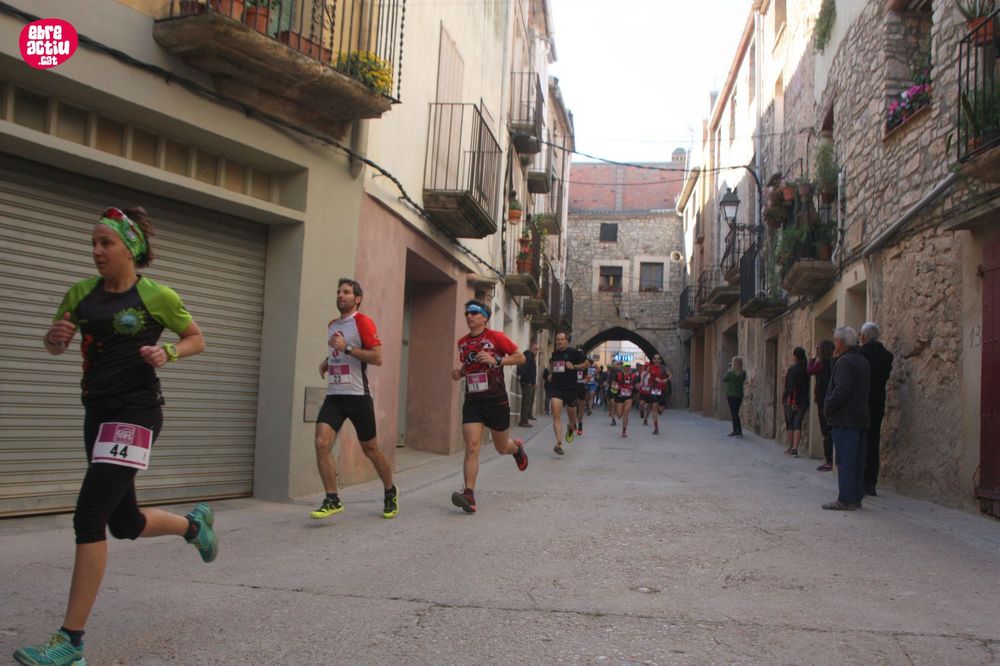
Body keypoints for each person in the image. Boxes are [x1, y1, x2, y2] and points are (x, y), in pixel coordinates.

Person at [15, 207, 217, 666]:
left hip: (136, 413)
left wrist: (168, 352)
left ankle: (71, 642)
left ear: (131, 248)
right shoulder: (80, 294)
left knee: (89, 517)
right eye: (93, 243)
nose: (96, 251)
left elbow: (196, 338)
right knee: (123, 523)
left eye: (105, 242)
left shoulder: (157, 295)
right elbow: (55, 345)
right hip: (97, 413)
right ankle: (194, 526)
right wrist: (54, 337)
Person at [312, 279, 399, 520]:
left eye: (346, 292)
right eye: (338, 291)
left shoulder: (362, 322)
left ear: (357, 299)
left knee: (370, 450)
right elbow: (338, 352)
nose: (341, 295)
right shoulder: (332, 324)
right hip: (335, 396)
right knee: (321, 442)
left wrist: (347, 348)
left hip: (358, 396)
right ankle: (332, 499)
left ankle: (390, 490)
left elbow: (377, 357)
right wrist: (327, 362)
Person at [450, 300, 528, 513]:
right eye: (467, 313)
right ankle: (469, 495)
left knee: (501, 447)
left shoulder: (496, 337)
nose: (469, 316)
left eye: (474, 313)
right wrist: (460, 373)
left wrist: (497, 360)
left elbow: (520, 357)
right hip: (473, 401)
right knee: (472, 446)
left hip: (496, 400)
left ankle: (516, 449)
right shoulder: (462, 343)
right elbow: (469, 365)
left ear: (484, 317)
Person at [823, 327, 871, 511]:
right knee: (857, 460)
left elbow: (842, 389)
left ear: (840, 343)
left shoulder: (844, 362)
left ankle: (845, 499)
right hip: (860, 417)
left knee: (846, 460)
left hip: (845, 418)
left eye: (835, 340)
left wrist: (828, 407)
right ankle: (855, 496)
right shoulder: (862, 361)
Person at [859, 322, 894, 496]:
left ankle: (860, 480)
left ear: (863, 336)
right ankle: (871, 482)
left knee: (859, 442)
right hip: (878, 403)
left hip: (861, 403)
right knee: (873, 442)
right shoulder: (887, 356)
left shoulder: (860, 355)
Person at [548, 332, 588, 455]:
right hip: (557, 388)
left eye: (562, 339)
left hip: (571, 389)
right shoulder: (554, 354)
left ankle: (571, 427)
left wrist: (575, 366)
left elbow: (587, 363)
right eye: (557, 339)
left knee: (572, 419)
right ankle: (559, 443)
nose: (559, 341)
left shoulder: (574, 352)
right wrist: (551, 374)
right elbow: (553, 366)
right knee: (556, 414)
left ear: (566, 341)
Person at [808, 340, 836, 471]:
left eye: (818, 349)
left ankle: (829, 460)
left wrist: (813, 358)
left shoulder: (821, 364)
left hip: (822, 398)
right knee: (831, 429)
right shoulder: (835, 362)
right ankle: (832, 459)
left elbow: (809, 371)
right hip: (831, 397)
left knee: (826, 431)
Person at [782, 347, 810, 457]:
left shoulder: (793, 369)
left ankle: (791, 447)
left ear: (795, 356)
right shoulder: (806, 369)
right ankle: (795, 448)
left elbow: (791, 386)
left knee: (790, 424)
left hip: (791, 399)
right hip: (804, 399)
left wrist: (792, 401)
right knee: (797, 424)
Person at [722, 356, 747, 437]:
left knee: (734, 413)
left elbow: (724, 379)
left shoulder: (731, 373)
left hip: (731, 395)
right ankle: (739, 430)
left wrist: (729, 369)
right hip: (739, 395)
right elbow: (743, 380)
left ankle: (735, 431)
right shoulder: (743, 373)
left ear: (734, 364)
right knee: (736, 413)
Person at [613, 362, 639, 437]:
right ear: (623, 367)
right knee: (619, 416)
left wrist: (637, 386)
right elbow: (613, 384)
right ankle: (616, 411)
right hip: (620, 396)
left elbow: (637, 384)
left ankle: (624, 431)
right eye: (626, 366)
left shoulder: (633, 376)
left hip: (629, 397)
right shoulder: (618, 375)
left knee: (626, 413)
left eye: (628, 366)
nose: (627, 368)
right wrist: (617, 387)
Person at [647, 354, 671, 435]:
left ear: (660, 360)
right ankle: (656, 427)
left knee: (660, 410)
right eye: (655, 359)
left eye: (658, 359)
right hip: (653, 390)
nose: (656, 360)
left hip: (662, 390)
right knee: (654, 408)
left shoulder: (664, 368)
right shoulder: (650, 368)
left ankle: (659, 409)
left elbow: (670, 375)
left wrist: (666, 379)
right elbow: (645, 376)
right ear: (653, 360)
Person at [516, 340, 538, 427]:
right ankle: (523, 422)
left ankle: (527, 418)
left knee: (528, 402)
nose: (536, 351)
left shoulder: (529, 356)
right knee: (526, 402)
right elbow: (527, 370)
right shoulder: (528, 356)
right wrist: (530, 382)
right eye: (535, 349)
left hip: (528, 382)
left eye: (537, 349)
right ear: (531, 347)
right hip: (527, 383)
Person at [574, 346, 589, 435]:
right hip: (573, 386)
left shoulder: (585, 364)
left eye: (581, 353)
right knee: (573, 405)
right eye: (578, 352)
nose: (579, 354)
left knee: (581, 405)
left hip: (582, 386)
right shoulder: (572, 363)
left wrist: (586, 379)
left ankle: (580, 424)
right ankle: (573, 421)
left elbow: (587, 376)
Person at [607, 359, 621, 425]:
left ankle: (617, 412)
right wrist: (607, 384)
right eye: (615, 364)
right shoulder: (610, 371)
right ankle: (613, 420)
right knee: (612, 403)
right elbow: (608, 380)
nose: (617, 365)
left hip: (619, 390)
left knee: (617, 405)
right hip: (611, 389)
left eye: (618, 364)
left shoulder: (621, 372)